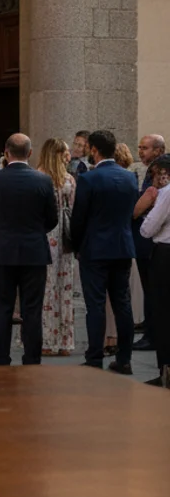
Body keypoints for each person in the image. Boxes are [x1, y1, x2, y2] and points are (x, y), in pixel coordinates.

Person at [0, 134, 59, 366]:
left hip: (2, 250)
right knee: (32, 309)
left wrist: (0, 233)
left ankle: (1, 357)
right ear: (30, 153)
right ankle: (32, 358)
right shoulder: (43, 181)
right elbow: (52, 219)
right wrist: (35, 231)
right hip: (33, 251)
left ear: (6, 152)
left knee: (2, 307)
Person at [70, 130, 139, 374]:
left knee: (96, 305)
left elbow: (78, 218)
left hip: (95, 249)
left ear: (94, 150)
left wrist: (76, 245)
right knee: (123, 304)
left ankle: (95, 357)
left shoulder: (89, 179)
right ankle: (125, 358)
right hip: (122, 247)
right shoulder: (130, 178)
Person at [37, 139, 76, 356]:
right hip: (64, 234)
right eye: (66, 151)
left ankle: (45, 340)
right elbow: (74, 207)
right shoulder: (68, 179)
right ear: (58, 153)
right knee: (64, 286)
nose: (69, 155)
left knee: (45, 286)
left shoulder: (37, 176)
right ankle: (64, 341)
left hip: (43, 232)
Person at [138, 154, 170, 386]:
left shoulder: (167, 193)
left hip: (165, 254)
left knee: (163, 313)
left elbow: (147, 230)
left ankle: (166, 371)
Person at [132, 134, 165, 353]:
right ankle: (150, 327)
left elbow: (146, 202)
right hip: (148, 239)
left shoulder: (159, 169)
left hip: (153, 239)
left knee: (153, 289)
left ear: (158, 151)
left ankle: (152, 334)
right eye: (140, 147)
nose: (140, 151)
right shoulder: (153, 167)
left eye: (145, 148)